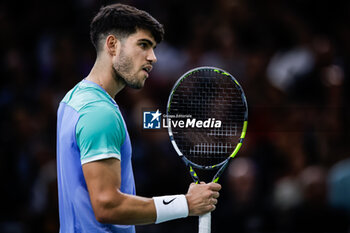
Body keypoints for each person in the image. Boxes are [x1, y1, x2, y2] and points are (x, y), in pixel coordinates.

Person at [56, 3, 221, 233]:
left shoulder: (72, 100)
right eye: (143, 45)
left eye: (153, 48)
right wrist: (186, 204)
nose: (153, 58)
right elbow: (107, 205)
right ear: (112, 45)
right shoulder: (99, 112)